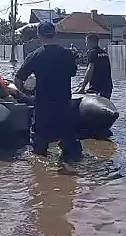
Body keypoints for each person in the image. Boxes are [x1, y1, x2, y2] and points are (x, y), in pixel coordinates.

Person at [14, 22, 82, 162]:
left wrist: (27, 94)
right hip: (64, 104)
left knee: (39, 148)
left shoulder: (35, 56)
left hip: (43, 105)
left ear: (39, 35)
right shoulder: (67, 55)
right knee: (70, 144)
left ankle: (41, 176)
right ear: (55, 34)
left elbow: (18, 80)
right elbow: (73, 73)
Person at [76, 33, 113, 99]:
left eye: (87, 42)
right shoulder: (104, 53)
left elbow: (90, 69)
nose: (86, 44)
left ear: (91, 42)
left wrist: (82, 88)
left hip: (96, 88)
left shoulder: (92, 52)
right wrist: (83, 82)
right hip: (107, 86)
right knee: (104, 104)